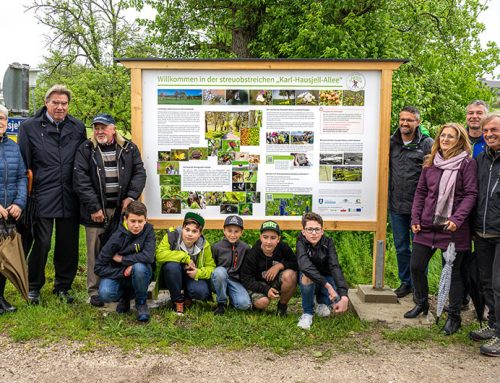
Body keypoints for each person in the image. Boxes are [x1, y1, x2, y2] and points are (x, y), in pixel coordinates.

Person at [404, 123, 477, 336]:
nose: (445, 139)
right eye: (443, 135)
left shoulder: (467, 164)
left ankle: (454, 317)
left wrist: (458, 218)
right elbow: (421, 192)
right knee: (416, 266)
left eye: (451, 137)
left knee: (453, 273)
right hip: (427, 225)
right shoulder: (431, 162)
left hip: (453, 228)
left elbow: (471, 194)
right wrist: (415, 218)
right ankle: (422, 303)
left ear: (460, 140)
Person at [17, 85, 87, 304]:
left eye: (64, 103)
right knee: (42, 242)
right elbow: (24, 164)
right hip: (42, 194)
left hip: (70, 194)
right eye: (55, 102)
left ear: (68, 105)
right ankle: (34, 286)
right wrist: (26, 195)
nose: (60, 107)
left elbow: (82, 160)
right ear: (46, 103)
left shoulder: (77, 127)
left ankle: (63, 286)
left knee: (68, 244)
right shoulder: (29, 127)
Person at [73, 113, 146, 307]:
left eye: (103, 127)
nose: (99, 131)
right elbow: (80, 179)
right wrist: (94, 207)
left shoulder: (128, 148)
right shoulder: (86, 149)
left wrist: (130, 198)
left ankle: (123, 288)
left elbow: (139, 173)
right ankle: (95, 291)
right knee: (95, 251)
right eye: (96, 128)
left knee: (122, 248)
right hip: (96, 211)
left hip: (123, 211)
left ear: (113, 129)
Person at [389, 106, 433, 298]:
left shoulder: (427, 144)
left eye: (409, 120)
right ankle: (406, 282)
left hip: (420, 209)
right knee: (401, 247)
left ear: (418, 122)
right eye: (402, 119)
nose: (405, 123)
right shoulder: (392, 142)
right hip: (397, 206)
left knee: (419, 249)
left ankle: (419, 288)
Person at [470, 113, 500, 356]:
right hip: (481, 231)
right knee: (487, 283)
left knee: (499, 284)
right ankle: (493, 325)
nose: (489, 134)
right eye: (486, 131)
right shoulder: (480, 159)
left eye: (494, 130)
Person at [94, 201, 155, 322]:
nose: (136, 225)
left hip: (141, 273)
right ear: (125, 219)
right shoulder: (116, 237)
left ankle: (141, 303)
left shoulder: (148, 230)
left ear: (146, 220)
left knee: (139, 268)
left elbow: (148, 257)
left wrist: (123, 259)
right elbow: (99, 267)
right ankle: (124, 297)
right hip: (119, 275)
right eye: (133, 221)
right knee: (105, 293)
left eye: (140, 221)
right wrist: (123, 272)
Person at [296, 212, 349, 330]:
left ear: (322, 231)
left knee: (337, 302)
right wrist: (329, 287)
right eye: (309, 229)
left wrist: (344, 296)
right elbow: (305, 266)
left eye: (317, 229)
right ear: (303, 231)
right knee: (307, 275)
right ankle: (307, 313)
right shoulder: (300, 241)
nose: (314, 233)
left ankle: (320, 301)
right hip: (313, 279)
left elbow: (335, 266)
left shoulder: (328, 242)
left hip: (326, 278)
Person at [156, 212, 215, 315]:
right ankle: (177, 301)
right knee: (171, 266)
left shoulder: (204, 245)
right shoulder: (172, 235)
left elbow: (211, 267)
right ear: (182, 228)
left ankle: (188, 297)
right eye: (187, 229)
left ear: (200, 233)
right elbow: (160, 255)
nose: (190, 234)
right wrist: (185, 258)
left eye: (194, 231)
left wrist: (198, 272)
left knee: (202, 292)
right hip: (172, 275)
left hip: (191, 276)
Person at [0, 105, 27, 314]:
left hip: (8, 213)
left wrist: (19, 203)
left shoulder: (12, 146)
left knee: (4, 256)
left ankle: (0, 297)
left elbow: (21, 176)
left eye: (2, 118)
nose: (0, 122)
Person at [240, 220, 297, 316]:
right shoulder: (253, 253)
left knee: (290, 275)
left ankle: (282, 306)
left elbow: (296, 263)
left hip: (275, 281)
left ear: (278, 239)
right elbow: (246, 278)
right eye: (265, 237)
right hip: (259, 284)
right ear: (260, 237)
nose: (269, 241)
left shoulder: (283, 247)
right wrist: (266, 289)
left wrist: (279, 266)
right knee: (262, 303)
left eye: (273, 238)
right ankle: (255, 304)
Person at [211, 215, 252, 315]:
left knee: (244, 305)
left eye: (236, 231)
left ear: (241, 232)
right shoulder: (216, 247)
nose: (233, 235)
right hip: (219, 279)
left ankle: (234, 300)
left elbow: (247, 268)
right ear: (224, 231)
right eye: (229, 231)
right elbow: (212, 266)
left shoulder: (245, 248)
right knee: (220, 272)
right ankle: (222, 303)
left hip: (235, 281)